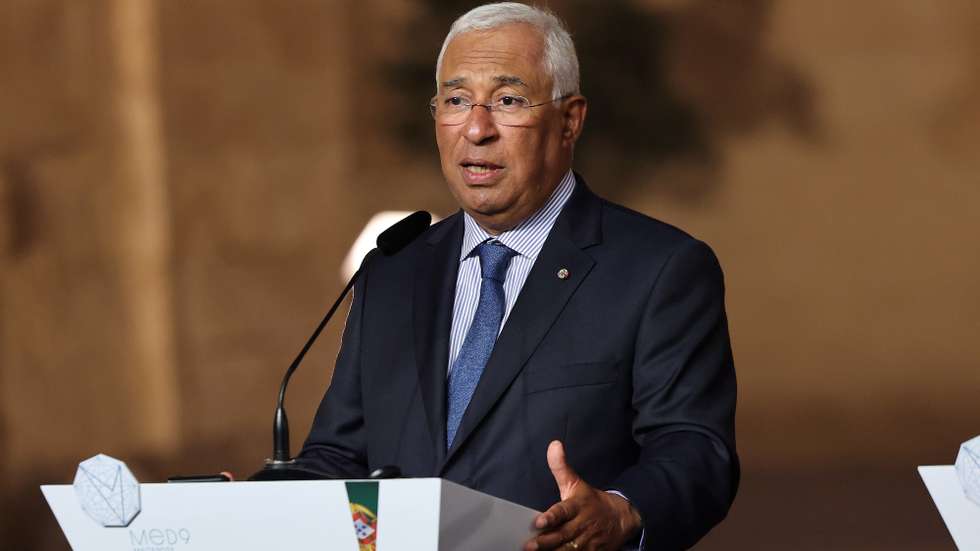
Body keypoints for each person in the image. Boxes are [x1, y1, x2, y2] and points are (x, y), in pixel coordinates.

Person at [299, 3, 738, 549]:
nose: (477, 129)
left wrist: (623, 510)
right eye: (457, 101)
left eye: (508, 101)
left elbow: (695, 448)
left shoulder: (660, 269)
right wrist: (244, 504)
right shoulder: (393, 270)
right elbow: (338, 455)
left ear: (570, 120)